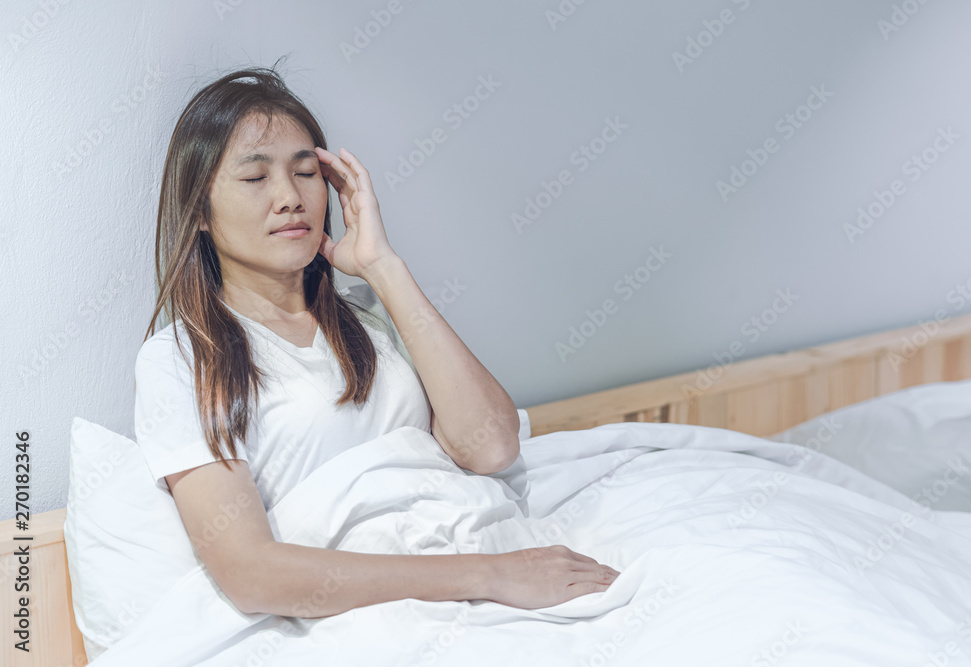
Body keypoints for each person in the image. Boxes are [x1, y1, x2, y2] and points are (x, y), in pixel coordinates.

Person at [134, 59, 620, 619]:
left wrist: (383, 267)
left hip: (486, 549)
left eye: (305, 172)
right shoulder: (180, 360)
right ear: (198, 209)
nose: (289, 197)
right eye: (254, 177)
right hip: (390, 605)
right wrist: (490, 575)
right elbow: (251, 573)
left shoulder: (371, 320)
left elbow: (491, 447)